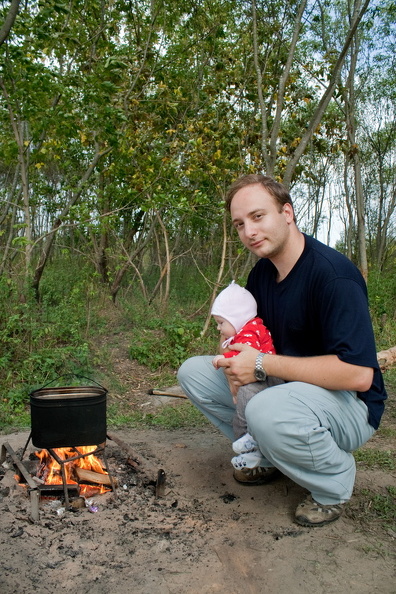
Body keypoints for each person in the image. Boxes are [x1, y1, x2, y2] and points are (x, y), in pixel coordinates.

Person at [177, 173, 387, 527]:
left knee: (264, 408)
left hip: (349, 405)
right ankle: (269, 456)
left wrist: (258, 363)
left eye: (258, 217)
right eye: (240, 224)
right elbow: (244, 333)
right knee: (194, 372)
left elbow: (359, 375)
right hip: (284, 390)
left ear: (287, 213)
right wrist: (234, 365)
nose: (249, 231)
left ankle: (333, 483)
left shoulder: (334, 276)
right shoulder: (261, 275)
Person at [210, 281, 284, 471]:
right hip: (264, 374)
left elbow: (245, 357)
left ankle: (247, 440)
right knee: (244, 398)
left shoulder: (250, 331)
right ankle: (250, 445)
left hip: (268, 377)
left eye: (221, 323)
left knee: (245, 399)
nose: (218, 328)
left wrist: (222, 358)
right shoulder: (246, 328)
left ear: (236, 319)